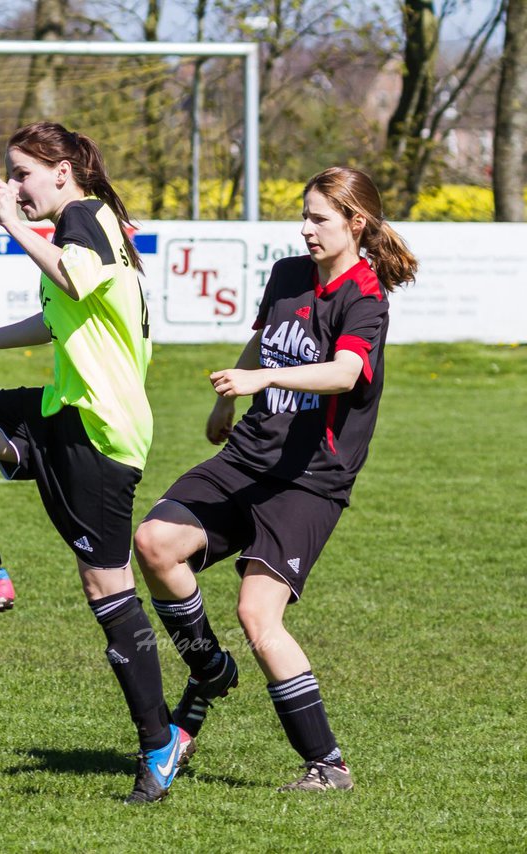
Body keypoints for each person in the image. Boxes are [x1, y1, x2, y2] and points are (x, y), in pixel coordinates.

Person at [0, 121, 191, 804]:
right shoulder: (86, 225)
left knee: (106, 589)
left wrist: (11, 223)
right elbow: (66, 310)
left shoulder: (86, 218)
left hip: (98, 431)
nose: (13, 185)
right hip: (60, 410)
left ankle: (160, 743)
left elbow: (70, 275)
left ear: (63, 171)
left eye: (22, 173)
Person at [132, 166, 418, 793]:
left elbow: (344, 374)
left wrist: (263, 382)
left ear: (355, 223)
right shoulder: (289, 274)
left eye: (320, 217)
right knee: (154, 542)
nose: (307, 228)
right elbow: (264, 342)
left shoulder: (365, 296)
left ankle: (327, 765)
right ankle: (208, 667)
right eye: (305, 215)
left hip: (310, 479)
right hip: (249, 456)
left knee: (258, 617)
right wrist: (228, 401)